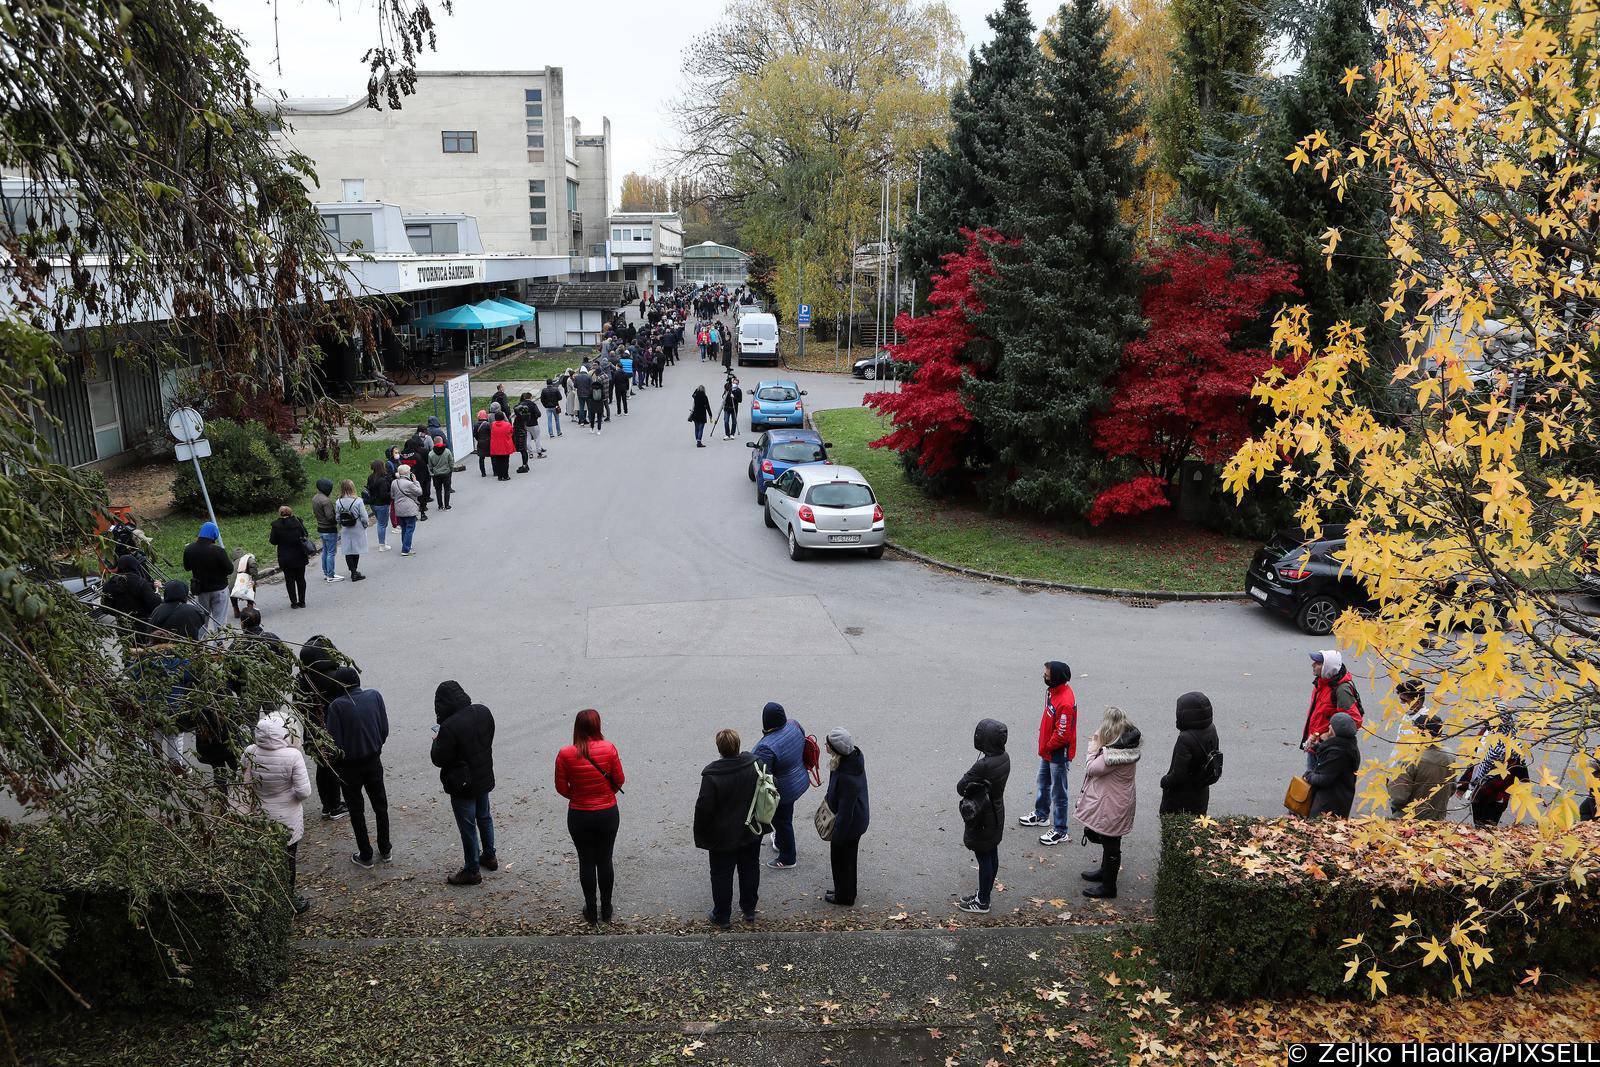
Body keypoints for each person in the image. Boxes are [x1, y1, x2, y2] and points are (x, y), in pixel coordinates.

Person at [554, 709, 625, 923]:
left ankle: (591, 910)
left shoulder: (565, 754)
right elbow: (619, 780)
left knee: (586, 861)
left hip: (579, 814)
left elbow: (560, 787)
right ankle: (607, 908)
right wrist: (603, 795)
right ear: (597, 726)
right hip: (607, 813)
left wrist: (578, 796)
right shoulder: (609, 748)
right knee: (605, 859)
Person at [693, 728, 764, 929]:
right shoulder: (754, 764)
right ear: (738, 745)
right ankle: (749, 910)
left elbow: (704, 808)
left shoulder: (712, 775)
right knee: (750, 869)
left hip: (722, 837)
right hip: (750, 830)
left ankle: (722, 915)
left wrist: (702, 833)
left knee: (721, 875)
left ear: (719, 749)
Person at [242, 714, 313, 914]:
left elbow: (244, 782)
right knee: (288, 859)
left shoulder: (250, 751)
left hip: (259, 816)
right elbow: (304, 791)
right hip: (286, 819)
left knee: (265, 859)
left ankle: (266, 899)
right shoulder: (292, 756)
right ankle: (288, 900)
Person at [430, 681, 498, 886]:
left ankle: (472, 869)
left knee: (468, 826)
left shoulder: (449, 727)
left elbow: (438, 759)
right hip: (483, 776)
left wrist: (436, 739)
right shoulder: (483, 711)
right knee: (484, 816)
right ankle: (489, 855)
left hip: (462, 784)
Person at [326, 666, 392, 867]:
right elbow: (384, 729)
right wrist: (376, 746)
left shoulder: (336, 706)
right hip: (373, 760)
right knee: (380, 806)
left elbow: (333, 741)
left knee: (356, 810)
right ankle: (385, 848)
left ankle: (366, 854)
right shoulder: (374, 696)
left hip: (349, 766)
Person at [1074, 707, 1143, 899]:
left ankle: (1109, 887)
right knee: (1110, 840)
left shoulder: (1112, 756)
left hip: (1112, 804)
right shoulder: (1126, 748)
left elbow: (1091, 768)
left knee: (1111, 843)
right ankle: (1105, 873)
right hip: (1120, 801)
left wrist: (1093, 746)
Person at [957, 718, 1009, 914]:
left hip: (983, 818)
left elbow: (961, 787)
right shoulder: (1005, 757)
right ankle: (983, 893)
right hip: (996, 812)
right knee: (992, 853)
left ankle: (983, 901)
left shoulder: (984, 765)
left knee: (984, 856)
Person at [1020, 661, 1075, 845]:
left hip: (1057, 753)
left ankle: (1060, 830)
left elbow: (1062, 734)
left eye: (1047, 674)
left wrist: (1048, 746)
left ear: (1056, 678)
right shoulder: (1053, 692)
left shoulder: (1065, 702)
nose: (1044, 676)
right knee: (1043, 783)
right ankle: (1042, 815)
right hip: (1048, 750)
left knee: (1059, 794)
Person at [752, 701, 810, 870]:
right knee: (785, 817)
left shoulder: (766, 746)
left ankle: (787, 857)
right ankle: (779, 841)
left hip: (783, 790)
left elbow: (763, 775)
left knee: (782, 820)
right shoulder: (794, 725)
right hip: (799, 779)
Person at [295, 636, 347, 820]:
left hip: (313, 730)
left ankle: (328, 804)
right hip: (331, 728)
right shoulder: (333, 677)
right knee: (334, 766)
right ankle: (334, 806)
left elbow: (298, 704)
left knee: (323, 767)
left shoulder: (302, 678)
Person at [1385, 682, 1452, 820]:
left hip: (1410, 783)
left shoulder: (1426, 722)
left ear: (1418, 700)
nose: (1402, 704)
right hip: (1401, 774)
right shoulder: (1408, 716)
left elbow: (1399, 797)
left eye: (1404, 701)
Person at [1455, 707, 1527, 828]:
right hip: (1477, 791)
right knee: (1478, 824)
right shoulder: (1484, 734)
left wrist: (1525, 794)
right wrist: (1464, 784)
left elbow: (1521, 773)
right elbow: (1475, 762)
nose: (1486, 721)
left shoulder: (1514, 747)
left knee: (1488, 826)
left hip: (1496, 797)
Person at [821, 728, 868, 906]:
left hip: (849, 825)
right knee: (848, 859)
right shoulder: (852, 759)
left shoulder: (848, 777)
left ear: (837, 750)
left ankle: (844, 896)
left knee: (841, 860)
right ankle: (846, 890)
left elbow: (846, 812)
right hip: (856, 820)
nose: (825, 745)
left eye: (828, 744)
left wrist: (838, 837)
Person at [1158, 691, 1221, 816]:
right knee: (1196, 824)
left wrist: (1164, 781)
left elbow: (1178, 774)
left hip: (1181, 797)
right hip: (1201, 791)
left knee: (1177, 828)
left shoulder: (1185, 738)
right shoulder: (1211, 728)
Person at [1301, 650, 1362, 770]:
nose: (1313, 665)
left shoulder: (1341, 690)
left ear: (1327, 668)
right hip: (1315, 744)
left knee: (1317, 782)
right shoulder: (1322, 682)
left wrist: (1327, 736)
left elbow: (1354, 722)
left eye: (1318, 663)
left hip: (1327, 749)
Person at [1306, 711, 1360, 818]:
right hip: (1339, 800)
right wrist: (1317, 747)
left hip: (1328, 806)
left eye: (1331, 725)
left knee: (1320, 830)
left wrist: (1308, 775)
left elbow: (1323, 779)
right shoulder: (1347, 746)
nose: (1329, 726)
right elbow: (1331, 764)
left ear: (1335, 730)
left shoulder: (1338, 753)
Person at [183, 521, 232, 630]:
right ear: (214, 534)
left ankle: (201, 644)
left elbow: (187, 568)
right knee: (219, 621)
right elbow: (230, 569)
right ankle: (219, 644)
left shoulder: (189, 549)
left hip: (201, 591)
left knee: (201, 621)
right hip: (220, 590)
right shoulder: (218, 551)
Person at [101, 553, 161, 641]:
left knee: (129, 651)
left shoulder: (110, 584)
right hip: (143, 626)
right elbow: (156, 603)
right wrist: (157, 592)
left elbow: (105, 608)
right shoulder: (140, 582)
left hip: (123, 626)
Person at [269, 506, 312, 608]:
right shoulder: (298, 522)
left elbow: (273, 541)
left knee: (289, 580)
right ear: (291, 512)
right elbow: (305, 533)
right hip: (299, 554)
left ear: (280, 513)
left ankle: (294, 602)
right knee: (301, 579)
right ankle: (302, 601)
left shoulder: (276, 525)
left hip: (285, 556)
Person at [332, 479, 369, 582]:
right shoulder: (358, 501)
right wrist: (365, 525)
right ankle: (355, 572)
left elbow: (338, 517)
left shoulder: (338, 502)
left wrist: (341, 524)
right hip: (357, 527)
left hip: (346, 529)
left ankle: (352, 571)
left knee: (348, 550)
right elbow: (364, 517)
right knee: (356, 550)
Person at [311, 478, 341, 583]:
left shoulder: (315, 498)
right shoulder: (326, 501)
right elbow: (330, 517)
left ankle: (325, 572)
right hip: (329, 529)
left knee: (325, 551)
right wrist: (337, 518)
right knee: (331, 552)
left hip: (320, 528)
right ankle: (330, 575)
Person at [390, 464, 423, 555]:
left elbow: (392, 496)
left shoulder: (394, 482)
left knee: (404, 528)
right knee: (410, 528)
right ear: (407, 473)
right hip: (409, 509)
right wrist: (416, 481)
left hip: (399, 509)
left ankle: (406, 545)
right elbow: (419, 492)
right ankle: (406, 549)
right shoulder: (409, 484)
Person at [365, 459, 393, 552]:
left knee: (380, 523)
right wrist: (392, 494)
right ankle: (382, 544)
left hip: (373, 504)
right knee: (382, 524)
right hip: (382, 504)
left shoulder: (370, 477)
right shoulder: (383, 480)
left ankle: (383, 542)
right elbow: (384, 494)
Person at [228, 549, 258, 618]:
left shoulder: (232, 563)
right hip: (243, 583)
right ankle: (250, 607)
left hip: (232, 587)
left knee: (232, 592)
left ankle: (236, 609)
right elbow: (253, 564)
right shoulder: (246, 559)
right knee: (251, 585)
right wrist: (254, 578)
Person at [428, 436, 455, 507]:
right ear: (442, 441)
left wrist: (432, 473)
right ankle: (447, 505)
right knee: (447, 490)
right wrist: (451, 469)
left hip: (436, 475)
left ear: (434, 443)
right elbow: (451, 462)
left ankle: (440, 505)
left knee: (438, 490)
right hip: (446, 473)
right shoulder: (447, 451)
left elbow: (430, 466)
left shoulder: (431, 454)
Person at [489, 411, 515, 480]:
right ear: (503, 417)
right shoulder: (507, 425)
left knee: (498, 461)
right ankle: (506, 476)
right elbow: (511, 432)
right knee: (505, 462)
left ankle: (499, 476)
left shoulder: (493, 425)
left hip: (496, 446)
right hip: (505, 445)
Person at [721, 375, 742, 440]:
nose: (734, 384)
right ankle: (727, 434)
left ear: (738, 384)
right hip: (727, 407)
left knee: (734, 422)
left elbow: (740, 400)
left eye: (736, 383)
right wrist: (724, 396)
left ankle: (732, 434)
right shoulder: (728, 389)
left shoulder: (738, 391)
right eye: (734, 383)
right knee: (726, 421)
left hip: (734, 408)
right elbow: (723, 395)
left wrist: (734, 397)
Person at [474, 410, 492, 477]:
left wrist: (478, 439)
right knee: (492, 457)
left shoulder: (476, 425)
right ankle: (495, 472)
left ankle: (483, 473)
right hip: (489, 442)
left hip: (481, 443)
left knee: (481, 458)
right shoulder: (488, 424)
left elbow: (475, 434)